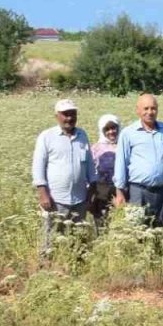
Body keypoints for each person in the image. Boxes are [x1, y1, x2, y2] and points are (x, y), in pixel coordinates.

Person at [33, 98, 97, 249]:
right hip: (55, 199)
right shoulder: (46, 136)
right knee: (51, 237)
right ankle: (47, 267)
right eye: (65, 114)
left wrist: (91, 190)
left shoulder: (82, 135)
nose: (69, 118)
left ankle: (75, 266)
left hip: (79, 199)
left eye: (72, 114)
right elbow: (38, 166)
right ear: (57, 116)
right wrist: (43, 194)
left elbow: (89, 163)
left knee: (77, 238)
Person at [114, 93, 163, 227]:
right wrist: (120, 193)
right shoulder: (128, 133)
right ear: (138, 110)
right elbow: (121, 163)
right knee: (138, 232)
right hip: (139, 191)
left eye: (153, 108)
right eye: (146, 108)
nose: (150, 112)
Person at [89, 114, 120, 226]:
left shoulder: (124, 145)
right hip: (102, 194)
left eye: (113, 128)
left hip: (122, 192)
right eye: (107, 129)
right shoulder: (95, 148)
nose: (111, 131)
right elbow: (90, 172)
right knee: (103, 225)